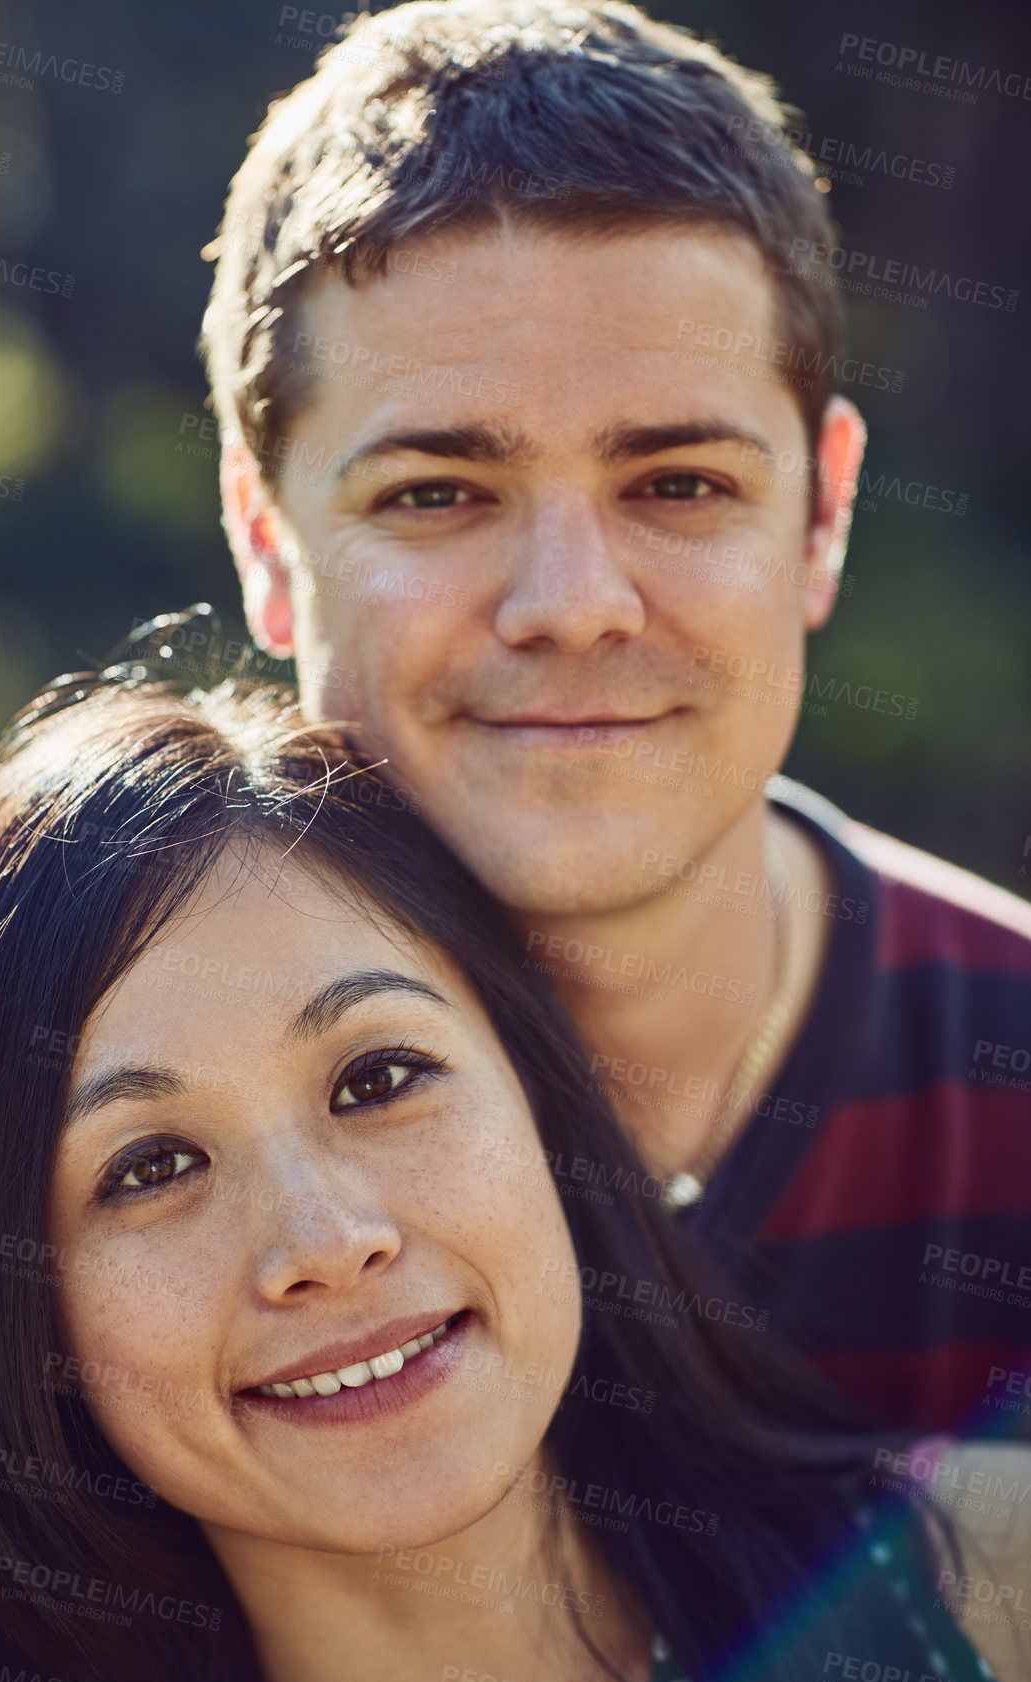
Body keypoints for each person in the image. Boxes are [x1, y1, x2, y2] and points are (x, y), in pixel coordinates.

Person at [0, 647, 1021, 1682]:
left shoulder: (990, 1595)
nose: (326, 1241)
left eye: (378, 1078)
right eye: (151, 1167)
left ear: (538, 1091)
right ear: (17, 1304)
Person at [200, 0, 1031, 1439]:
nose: (573, 605)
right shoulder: (18, 1138)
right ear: (266, 543)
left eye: (678, 484)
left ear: (822, 515)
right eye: (437, 493)